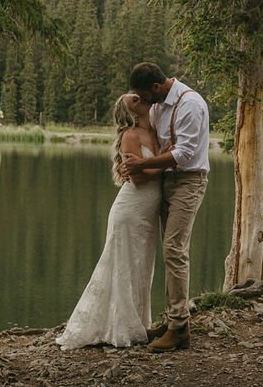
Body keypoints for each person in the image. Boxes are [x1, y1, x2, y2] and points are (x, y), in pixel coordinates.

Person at [56, 93, 163, 349]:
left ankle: (137, 323)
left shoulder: (157, 130)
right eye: (134, 100)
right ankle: (120, 327)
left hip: (147, 213)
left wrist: (160, 161)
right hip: (130, 211)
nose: (141, 99)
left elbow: (147, 168)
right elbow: (137, 179)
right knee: (123, 264)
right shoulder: (130, 136)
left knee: (141, 266)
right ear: (131, 112)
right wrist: (170, 162)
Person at [121, 61, 209, 353]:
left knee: (174, 248)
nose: (145, 102)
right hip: (163, 182)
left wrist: (143, 163)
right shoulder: (157, 105)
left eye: (145, 96)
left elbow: (183, 154)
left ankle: (179, 328)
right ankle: (172, 319)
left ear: (157, 88)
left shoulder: (190, 104)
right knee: (167, 250)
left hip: (189, 180)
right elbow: (152, 139)